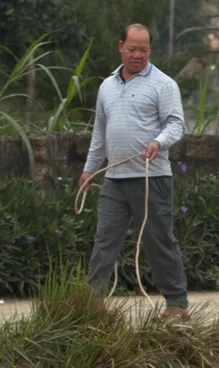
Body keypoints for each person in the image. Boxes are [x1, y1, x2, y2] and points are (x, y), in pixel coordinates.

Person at [80, 23, 189, 320]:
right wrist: (90, 169)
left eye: (144, 49)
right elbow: (99, 134)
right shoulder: (107, 86)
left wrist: (159, 142)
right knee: (105, 240)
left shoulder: (163, 84)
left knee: (159, 240)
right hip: (114, 180)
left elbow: (176, 124)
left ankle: (177, 304)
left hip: (151, 177)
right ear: (120, 47)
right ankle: (92, 303)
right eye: (132, 49)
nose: (138, 55)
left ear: (150, 50)